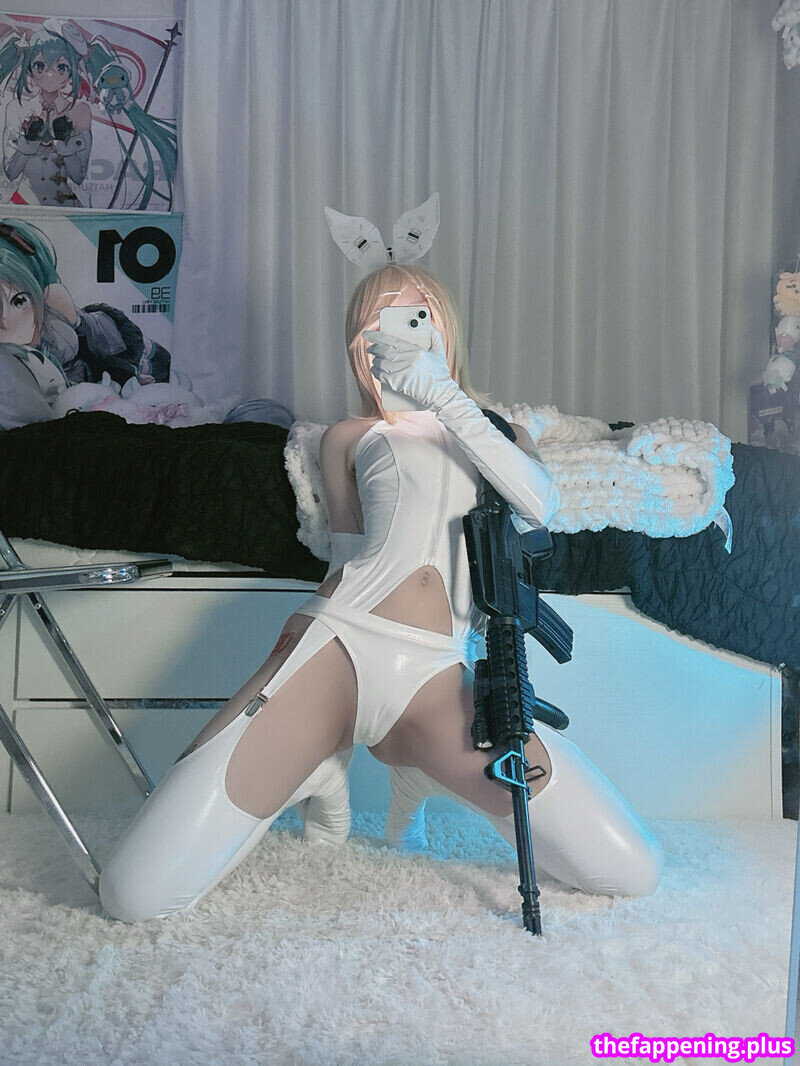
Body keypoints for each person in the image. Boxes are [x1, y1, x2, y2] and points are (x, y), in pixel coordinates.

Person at [98, 263, 663, 923]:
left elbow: (541, 504)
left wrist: (444, 397)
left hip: (436, 681)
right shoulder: (348, 437)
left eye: (419, 316)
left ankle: (418, 767)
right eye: (380, 320)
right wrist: (292, 644)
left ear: (445, 328)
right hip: (334, 646)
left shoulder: (499, 433)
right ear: (360, 344)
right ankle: (318, 768)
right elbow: (346, 554)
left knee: (634, 869)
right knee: (133, 894)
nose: (402, 332)